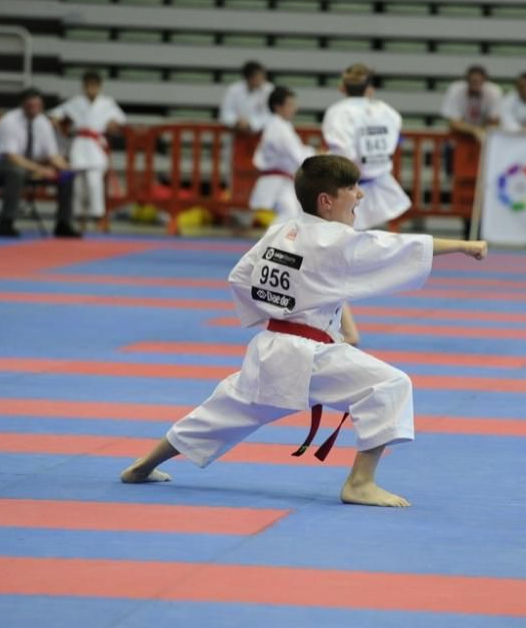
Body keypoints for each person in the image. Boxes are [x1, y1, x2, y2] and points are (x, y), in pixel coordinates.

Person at [120, 154, 487, 508]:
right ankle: (360, 483)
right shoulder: (334, 239)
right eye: (352, 189)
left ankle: (142, 466)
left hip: (270, 347)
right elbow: (396, 246)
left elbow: (241, 278)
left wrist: (281, 312)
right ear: (327, 201)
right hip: (309, 355)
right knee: (390, 385)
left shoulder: (281, 232)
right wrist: (463, 246)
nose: (360, 195)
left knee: (223, 411)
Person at [322, 63, 410, 231]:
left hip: (349, 181)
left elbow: (343, 152)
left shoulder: (339, 112)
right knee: (369, 236)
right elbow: (393, 138)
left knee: (340, 235)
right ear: (369, 88)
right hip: (379, 179)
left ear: (342, 88)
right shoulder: (387, 111)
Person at [0, 87, 80, 239]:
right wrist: (41, 169)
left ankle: (63, 223)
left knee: (67, 175)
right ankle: (6, 222)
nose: (35, 109)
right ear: (23, 105)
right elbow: (11, 156)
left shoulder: (43, 122)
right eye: (31, 106)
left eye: (38, 106)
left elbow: (52, 155)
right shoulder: (8, 121)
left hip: (31, 167)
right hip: (0, 167)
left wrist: (66, 167)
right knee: (16, 171)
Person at [48, 71, 126, 224]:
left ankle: (98, 214)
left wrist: (113, 124)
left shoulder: (107, 103)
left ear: (99, 86)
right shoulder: (76, 102)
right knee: (77, 182)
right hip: (79, 142)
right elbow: (56, 113)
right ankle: (77, 213)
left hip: (96, 143)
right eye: (88, 85)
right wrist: (57, 120)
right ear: (83, 87)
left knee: (94, 180)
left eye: (94, 85)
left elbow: (120, 119)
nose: (91, 89)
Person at [250, 86, 316, 223]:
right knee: (290, 214)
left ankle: (274, 243)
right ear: (277, 106)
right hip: (275, 180)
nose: (294, 108)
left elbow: (298, 151)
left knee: (293, 214)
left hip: (282, 180)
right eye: (290, 105)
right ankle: (271, 243)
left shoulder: (280, 126)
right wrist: (317, 155)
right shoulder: (278, 128)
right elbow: (298, 155)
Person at [440, 64, 502, 141]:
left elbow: (494, 121)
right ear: (466, 80)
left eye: (479, 81)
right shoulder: (455, 90)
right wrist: (475, 130)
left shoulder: (494, 91)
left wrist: (482, 132)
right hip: (461, 135)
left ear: (485, 80)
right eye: (473, 81)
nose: (475, 84)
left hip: (485, 134)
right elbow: (454, 123)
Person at [219, 60, 273, 133]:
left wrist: (250, 123)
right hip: (238, 132)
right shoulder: (233, 90)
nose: (262, 80)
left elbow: (270, 115)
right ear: (249, 78)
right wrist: (236, 121)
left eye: (263, 76)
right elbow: (226, 113)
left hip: (262, 133)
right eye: (258, 77)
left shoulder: (269, 90)